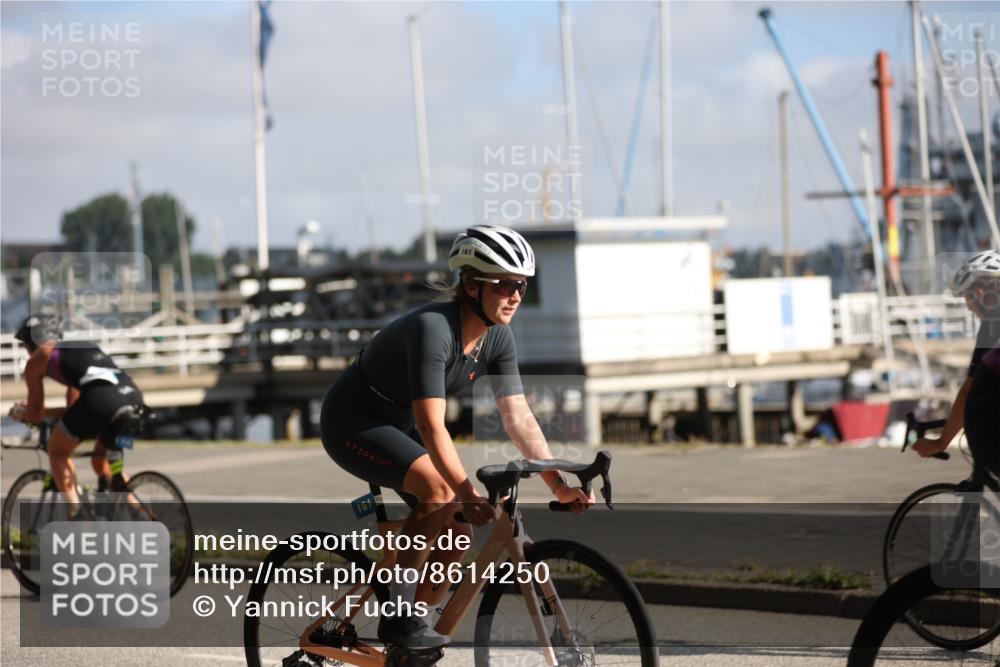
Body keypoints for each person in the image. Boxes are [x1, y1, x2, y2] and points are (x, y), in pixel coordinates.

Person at [320, 225, 595, 648]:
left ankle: (414, 638)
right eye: (504, 284)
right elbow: (432, 427)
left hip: (398, 422)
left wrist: (556, 484)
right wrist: (466, 492)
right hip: (352, 420)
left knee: (458, 529)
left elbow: (518, 416)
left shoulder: (497, 337)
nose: (515, 295)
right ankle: (399, 616)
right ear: (470, 284)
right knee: (439, 491)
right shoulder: (433, 329)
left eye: (521, 285)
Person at [8, 314, 145, 516]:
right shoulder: (80, 350)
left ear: (30, 343)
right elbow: (74, 409)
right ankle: (147, 518)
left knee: (58, 452)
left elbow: (36, 416)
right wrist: (44, 413)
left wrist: (21, 412)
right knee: (101, 462)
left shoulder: (38, 358)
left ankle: (79, 518)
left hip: (101, 401)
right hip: (133, 397)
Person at [914, 250, 1000, 460]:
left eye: (967, 297)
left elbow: (969, 391)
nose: (968, 306)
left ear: (980, 292)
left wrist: (941, 442)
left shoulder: (993, 325)